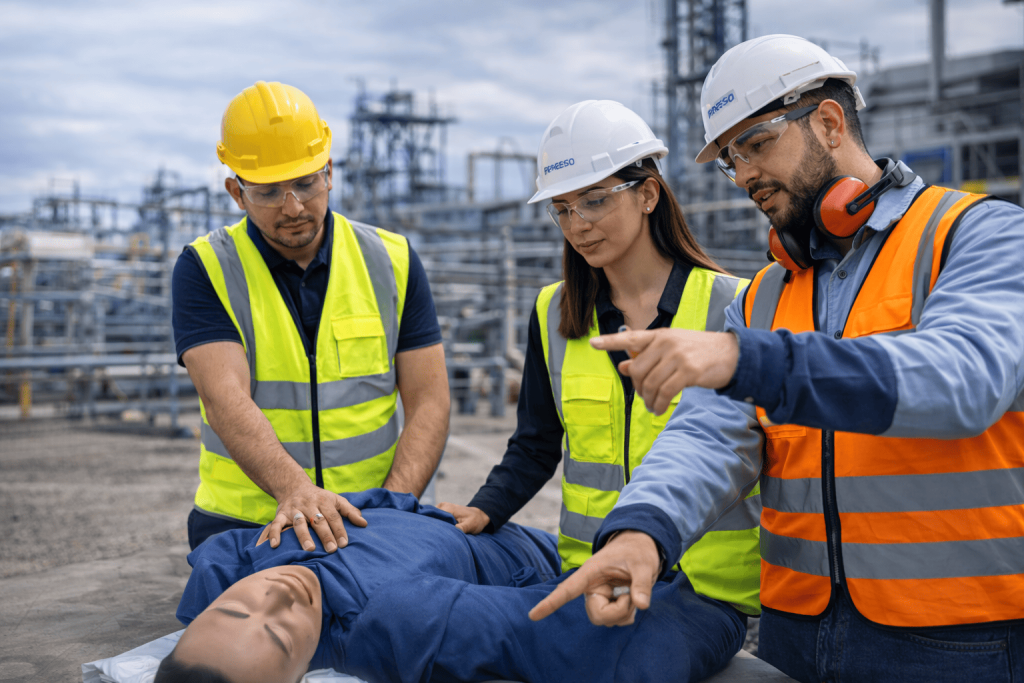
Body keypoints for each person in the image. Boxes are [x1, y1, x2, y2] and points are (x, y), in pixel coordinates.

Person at [530, 34, 1024, 682]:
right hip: (797, 630)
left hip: (955, 636)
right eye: (730, 159)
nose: (744, 176)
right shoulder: (767, 295)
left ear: (828, 121)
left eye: (757, 145)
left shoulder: (976, 236)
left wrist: (749, 359)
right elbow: (709, 434)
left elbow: (962, 379)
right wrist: (639, 532)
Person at [436, 99, 761, 666]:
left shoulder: (736, 305)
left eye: (593, 200)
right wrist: (485, 508)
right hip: (590, 570)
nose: (577, 224)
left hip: (707, 585)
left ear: (647, 194)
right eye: (561, 209)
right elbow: (536, 443)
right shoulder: (552, 313)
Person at [172, 81, 450, 554]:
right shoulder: (206, 268)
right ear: (236, 193)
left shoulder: (393, 260)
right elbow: (225, 400)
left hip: (370, 517)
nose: (294, 207)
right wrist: (295, 492)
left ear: (330, 173)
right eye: (268, 192)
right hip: (246, 523)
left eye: (305, 183)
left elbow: (429, 400)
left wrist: (393, 506)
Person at [153, 489, 746, 683]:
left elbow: (358, 505)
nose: (277, 596)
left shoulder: (226, 562)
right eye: (281, 635)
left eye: (236, 612)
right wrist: (716, 611)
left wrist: (408, 506)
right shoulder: (401, 617)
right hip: (522, 551)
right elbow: (602, 646)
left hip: (458, 515)